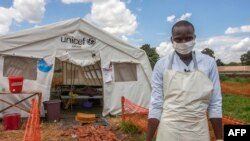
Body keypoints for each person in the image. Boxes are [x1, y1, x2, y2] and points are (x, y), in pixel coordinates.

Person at [146, 20, 223, 141]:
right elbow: (156, 103)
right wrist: (148, 139)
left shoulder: (208, 63)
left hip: (198, 130)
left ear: (194, 38)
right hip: (169, 130)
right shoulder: (161, 65)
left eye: (188, 38)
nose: (184, 43)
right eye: (178, 39)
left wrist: (219, 138)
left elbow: (215, 103)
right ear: (172, 40)